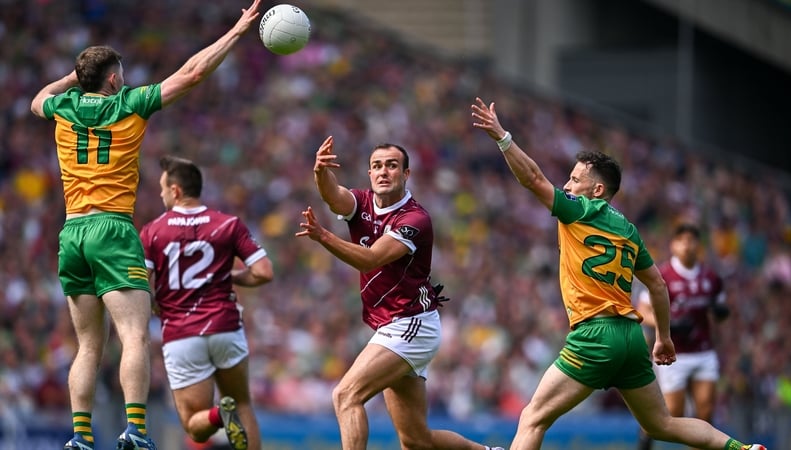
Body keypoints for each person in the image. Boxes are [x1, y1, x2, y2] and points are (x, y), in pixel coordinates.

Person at [29, 2, 263, 449]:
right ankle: (135, 430)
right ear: (114, 78)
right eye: (121, 72)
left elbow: (36, 100)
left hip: (72, 232)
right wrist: (235, 33)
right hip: (113, 230)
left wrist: (71, 80)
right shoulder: (129, 104)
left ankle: (80, 438)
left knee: (87, 347)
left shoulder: (61, 108)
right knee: (134, 335)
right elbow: (192, 73)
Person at [470, 97, 766, 450]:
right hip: (630, 337)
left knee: (533, 417)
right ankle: (742, 449)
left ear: (597, 191)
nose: (566, 184)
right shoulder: (628, 229)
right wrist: (664, 338)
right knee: (661, 424)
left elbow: (533, 178)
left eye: (574, 178)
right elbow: (657, 283)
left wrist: (503, 137)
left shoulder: (577, 210)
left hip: (595, 334)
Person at [295, 135, 503, 450]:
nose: (383, 172)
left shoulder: (414, 219)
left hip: (411, 324)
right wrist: (320, 172)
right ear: (369, 174)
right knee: (416, 440)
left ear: (406, 174)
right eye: (376, 166)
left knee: (346, 395)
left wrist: (323, 236)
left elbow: (372, 258)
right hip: (393, 324)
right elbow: (333, 197)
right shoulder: (362, 203)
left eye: (392, 166)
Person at [139, 155, 273, 450]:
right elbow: (264, 272)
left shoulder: (152, 231)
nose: (161, 194)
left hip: (182, 333)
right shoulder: (228, 224)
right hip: (226, 327)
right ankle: (229, 413)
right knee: (243, 403)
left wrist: (153, 303)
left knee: (195, 427)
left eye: (163, 188)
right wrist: (232, 276)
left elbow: (141, 284)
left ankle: (217, 415)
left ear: (175, 190)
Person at [636, 223, 730, 450]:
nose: (687, 246)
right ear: (673, 245)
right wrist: (670, 324)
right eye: (682, 240)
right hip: (672, 354)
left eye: (692, 240)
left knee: (705, 412)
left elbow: (720, 310)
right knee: (672, 414)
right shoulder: (663, 276)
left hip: (703, 351)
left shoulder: (711, 278)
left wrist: (721, 313)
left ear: (699, 245)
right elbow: (642, 311)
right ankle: (644, 441)